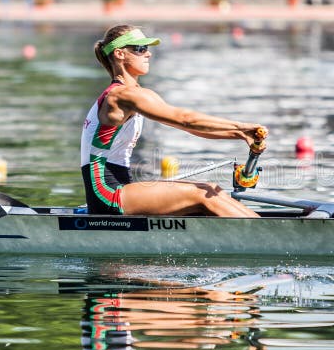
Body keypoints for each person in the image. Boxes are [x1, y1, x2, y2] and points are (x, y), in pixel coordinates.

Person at [81, 25, 266, 217]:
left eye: (147, 48)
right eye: (140, 49)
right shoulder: (121, 95)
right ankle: (272, 237)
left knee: (212, 190)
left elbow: (192, 128)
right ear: (119, 54)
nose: (148, 54)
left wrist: (240, 135)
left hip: (121, 188)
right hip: (106, 194)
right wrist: (240, 128)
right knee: (202, 193)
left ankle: (264, 229)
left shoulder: (132, 94)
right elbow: (185, 120)